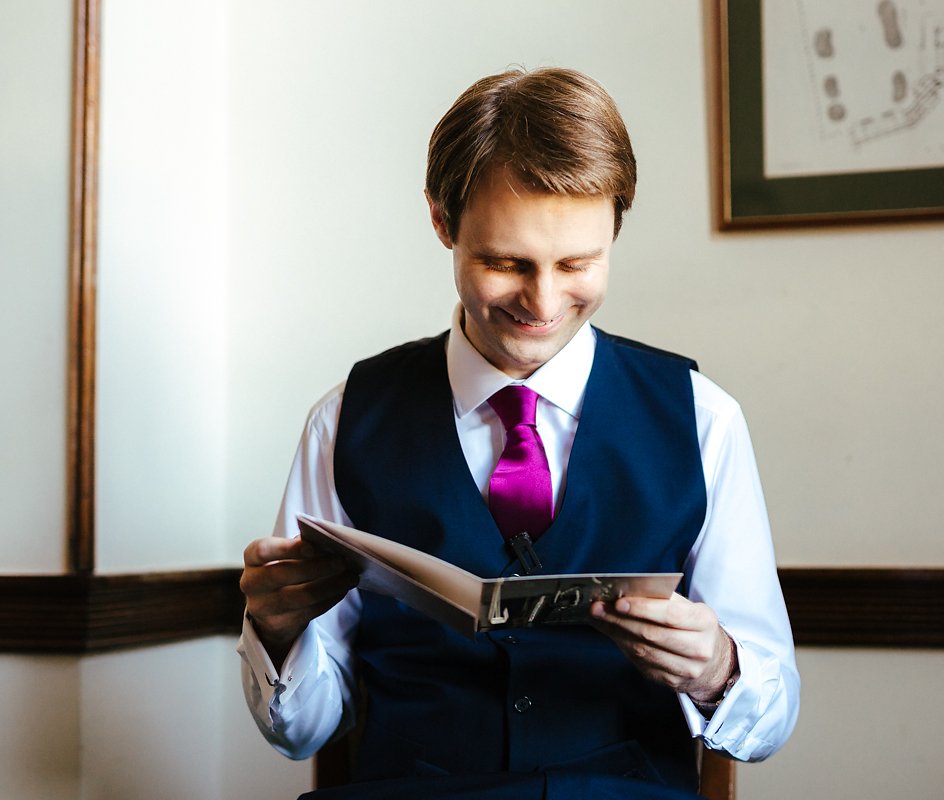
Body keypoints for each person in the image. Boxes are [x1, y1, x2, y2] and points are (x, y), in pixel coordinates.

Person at [237, 67, 799, 800]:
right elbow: (304, 730)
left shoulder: (703, 418)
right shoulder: (345, 419)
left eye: (578, 263)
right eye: (506, 263)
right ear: (443, 221)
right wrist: (276, 632)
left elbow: (771, 718)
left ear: (616, 227)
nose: (542, 300)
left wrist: (718, 668)